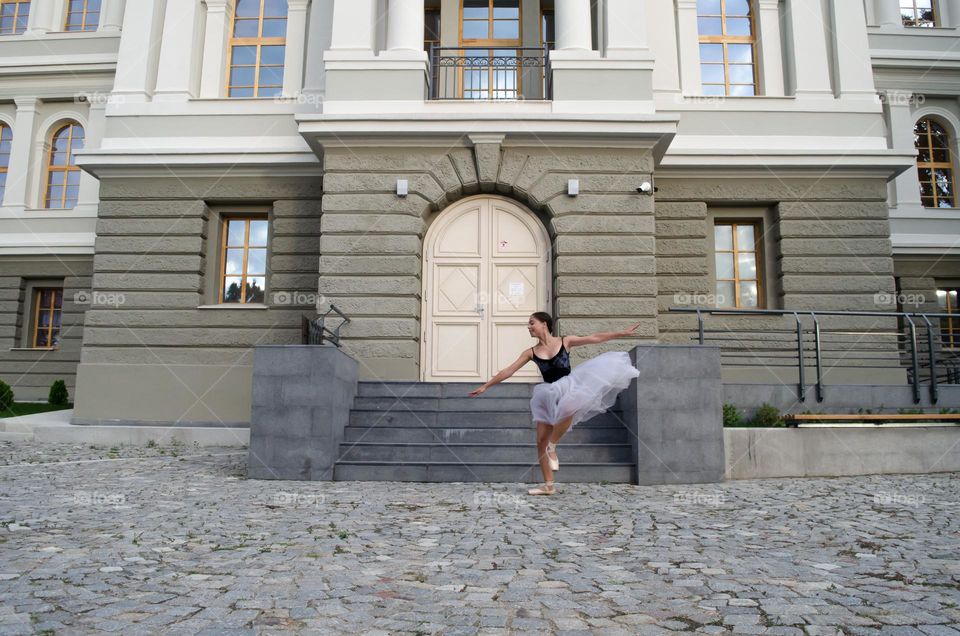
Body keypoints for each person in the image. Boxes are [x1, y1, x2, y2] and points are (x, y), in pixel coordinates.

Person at [468, 312, 642, 495]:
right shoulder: (531, 352)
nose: (528, 327)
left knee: (569, 407)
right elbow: (508, 370)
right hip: (548, 393)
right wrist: (486, 386)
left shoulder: (565, 341)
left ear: (544, 324)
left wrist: (621, 333)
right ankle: (548, 485)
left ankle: (553, 446)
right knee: (540, 440)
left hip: (569, 387)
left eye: (531, 323)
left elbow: (594, 338)